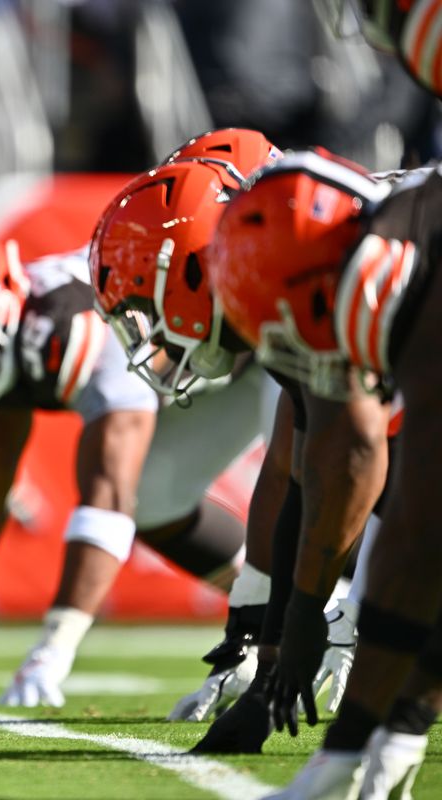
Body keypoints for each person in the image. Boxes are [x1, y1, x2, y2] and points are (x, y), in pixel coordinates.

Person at [0, 203, 266, 708]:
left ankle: (329, 612)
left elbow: (109, 495)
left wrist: (53, 648)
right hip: (210, 369)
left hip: (266, 341)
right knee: (154, 497)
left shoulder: (77, 320)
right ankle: (300, 608)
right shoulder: (15, 338)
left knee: (141, 488)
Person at [90, 147, 391, 758]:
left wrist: (348, 613)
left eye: (148, 306)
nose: (150, 335)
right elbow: (294, 468)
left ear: (193, 269)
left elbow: (365, 456)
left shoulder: (314, 260)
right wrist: (268, 642)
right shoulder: (283, 279)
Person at [203, 148, 442, 799]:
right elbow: (317, 468)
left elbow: (391, 484)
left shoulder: (407, 271)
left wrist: (396, 722)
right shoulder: (353, 262)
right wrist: (287, 635)